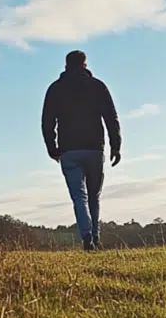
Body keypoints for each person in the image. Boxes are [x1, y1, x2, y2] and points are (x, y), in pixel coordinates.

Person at [42, 50, 121, 251]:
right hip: (95, 148)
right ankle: (95, 237)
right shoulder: (97, 86)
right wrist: (116, 145)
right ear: (85, 64)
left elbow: (47, 122)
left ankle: (87, 237)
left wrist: (52, 148)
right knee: (94, 196)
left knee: (79, 197)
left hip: (68, 150)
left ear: (66, 65)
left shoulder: (55, 89)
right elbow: (111, 118)